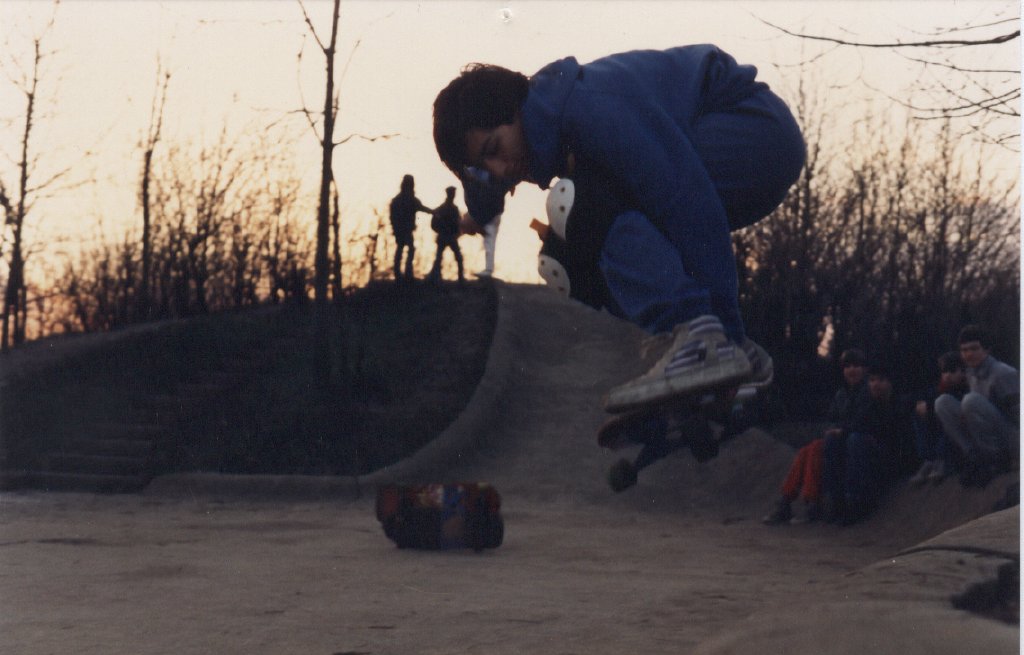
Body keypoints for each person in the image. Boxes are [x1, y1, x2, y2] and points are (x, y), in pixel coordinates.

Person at [433, 45, 805, 411]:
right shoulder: (544, 117)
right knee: (566, 260)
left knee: (583, 210)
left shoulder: (587, 109)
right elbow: (485, 180)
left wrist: (728, 326)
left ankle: (701, 337)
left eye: (495, 149)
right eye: (485, 166)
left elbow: (685, 201)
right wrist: (476, 213)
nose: (501, 169)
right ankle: (699, 345)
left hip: (753, 133)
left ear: (514, 111)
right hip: (722, 150)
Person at [763, 348, 870, 525]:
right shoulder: (841, 394)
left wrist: (842, 430)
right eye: (847, 366)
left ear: (864, 369)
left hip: (852, 439)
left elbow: (864, 419)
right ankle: (786, 500)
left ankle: (811, 502)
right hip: (837, 438)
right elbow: (831, 418)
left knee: (814, 450)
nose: (852, 370)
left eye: (856, 365)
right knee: (806, 450)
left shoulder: (867, 391)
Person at [824, 359, 914, 525]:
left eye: (880, 380)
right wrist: (841, 432)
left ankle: (857, 501)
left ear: (890, 383)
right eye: (872, 380)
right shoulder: (869, 403)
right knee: (834, 440)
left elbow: (890, 433)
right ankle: (837, 501)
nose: (875, 384)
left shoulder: (900, 403)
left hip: (893, 459)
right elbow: (858, 423)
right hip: (871, 456)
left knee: (856, 441)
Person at [935, 325, 1019, 488]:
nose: (968, 354)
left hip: (1013, 438)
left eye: (974, 348)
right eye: (964, 350)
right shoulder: (970, 373)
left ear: (986, 350)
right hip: (989, 437)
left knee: (970, 401)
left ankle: (997, 461)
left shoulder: (1003, 373)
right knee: (942, 403)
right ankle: (974, 457)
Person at [908, 351, 968, 485]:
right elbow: (928, 400)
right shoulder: (940, 388)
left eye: (952, 370)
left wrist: (929, 407)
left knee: (945, 421)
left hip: (961, 434)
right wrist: (922, 406)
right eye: (944, 371)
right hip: (939, 435)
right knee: (918, 414)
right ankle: (929, 460)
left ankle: (942, 461)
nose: (947, 375)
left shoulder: (966, 385)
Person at [461, 167, 505, 278]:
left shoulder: (475, 208)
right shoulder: (473, 206)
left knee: (489, 240)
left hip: (490, 211)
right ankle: (488, 269)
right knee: (489, 241)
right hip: (489, 209)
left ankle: (488, 269)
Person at [389, 174, 433, 281]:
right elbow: (421, 207)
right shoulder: (406, 199)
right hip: (403, 229)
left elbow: (421, 207)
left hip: (403, 229)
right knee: (406, 249)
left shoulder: (400, 199)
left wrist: (433, 212)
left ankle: (402, 273)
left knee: (403, 249)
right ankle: (403, 274)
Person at [427, 186, 465, 282]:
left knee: (456, 258)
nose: (453, 195)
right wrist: (442, 231)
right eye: (452, 193)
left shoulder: (452, 208)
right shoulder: (442, 209)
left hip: (449, 236)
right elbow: (434, 224)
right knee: (441, 258)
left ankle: (460, 279)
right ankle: (435, 277)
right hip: (445, 236)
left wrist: (456, 232)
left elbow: (458, 223)